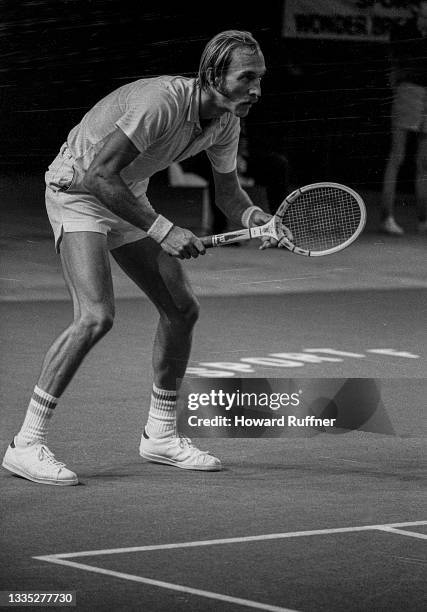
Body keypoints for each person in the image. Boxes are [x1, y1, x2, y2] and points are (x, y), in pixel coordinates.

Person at [2, 30, 275, 486]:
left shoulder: (226, 121)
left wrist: (257, 218)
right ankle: (25, 444)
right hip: (79, 192)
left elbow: (228, 194)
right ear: (212, 74)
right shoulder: (161, 102)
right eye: (247, 78)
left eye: (261, 78)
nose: (257, 90)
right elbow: (98, 176)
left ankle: (161, 436)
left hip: (126, 196)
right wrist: (163, 229)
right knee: (95, 317)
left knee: (182, 309)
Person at [379, 1, 427, 235]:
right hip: (408, 91)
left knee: (424, 162)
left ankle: (424, 220)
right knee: (397, 155)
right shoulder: (404, 30)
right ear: (418, 7)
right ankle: (387, 216)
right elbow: (395, 63)